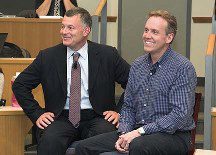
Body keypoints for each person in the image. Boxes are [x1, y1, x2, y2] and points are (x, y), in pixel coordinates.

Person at [75, 10, 197, 155]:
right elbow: (128, 106)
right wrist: (125, 132)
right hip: (137, 132)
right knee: (83, 147)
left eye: (154, 32)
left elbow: (179, 116)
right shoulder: (138, 65)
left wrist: (140, 132)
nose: (147, 36)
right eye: (146, 30)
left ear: (169, 37)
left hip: (173, 135)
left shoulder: (182, 67)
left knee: (138, 146)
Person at [12, 7, 130, 155]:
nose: (64, 31)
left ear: (86, 31)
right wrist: (37, 113)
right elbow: (20, 84)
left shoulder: (108, 55)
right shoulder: (48, 57)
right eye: (62, 26)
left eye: (70, 27)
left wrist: (120, 112)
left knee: (104, 140)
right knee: (50, 141)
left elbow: (134, 83)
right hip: (61, 117)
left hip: (98, 117)